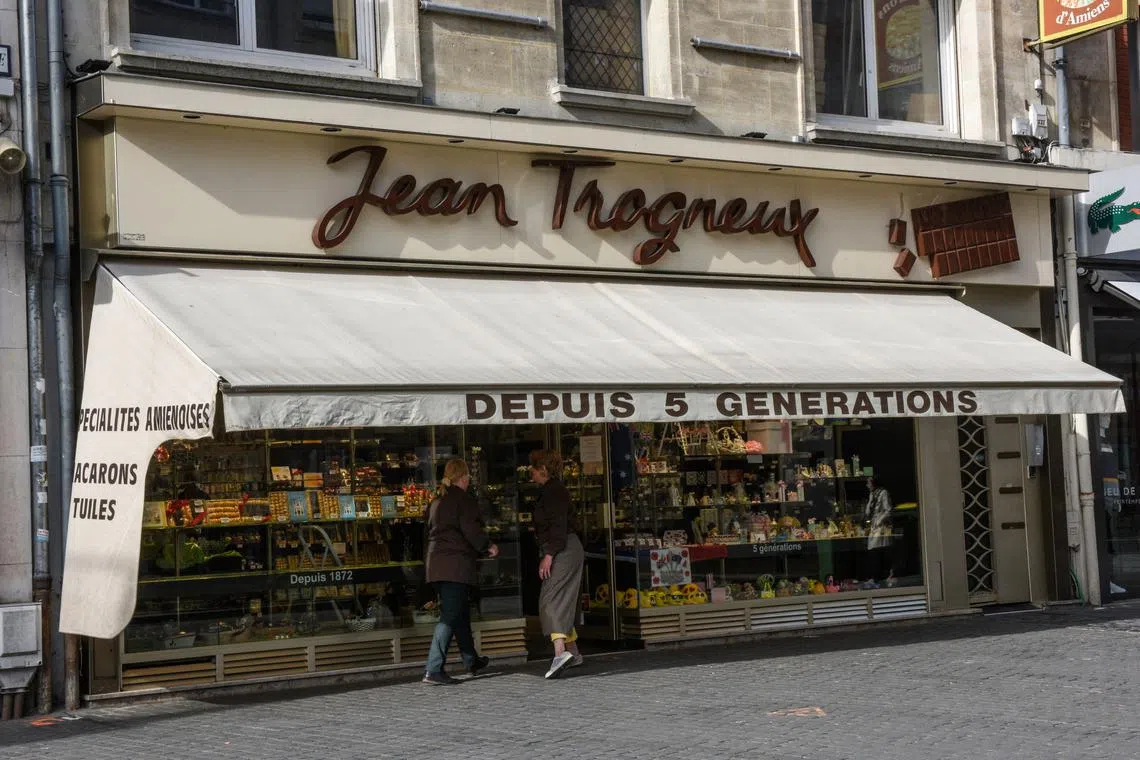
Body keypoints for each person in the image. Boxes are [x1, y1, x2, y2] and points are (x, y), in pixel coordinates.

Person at [422, 458, 499, 685]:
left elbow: (425, 532)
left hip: (435, 565)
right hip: (455, 567)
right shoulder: (463, 500)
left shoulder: (436, 500)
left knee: (460, 613)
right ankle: (433, 668)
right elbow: (472, 530)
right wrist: (488, 546)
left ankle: (470, 659)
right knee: (449, 617)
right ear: (464, 477)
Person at [530, 449, 586, 679]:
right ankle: (573, 652)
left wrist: (549, 554)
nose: (530, 472)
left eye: (532, 468)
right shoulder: (550, 491)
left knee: (551, 600)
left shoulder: (554, 492)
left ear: (542, 470)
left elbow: (558, 527)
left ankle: (560, 653)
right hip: (562, 548)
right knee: (561, 600)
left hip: (562, 550)